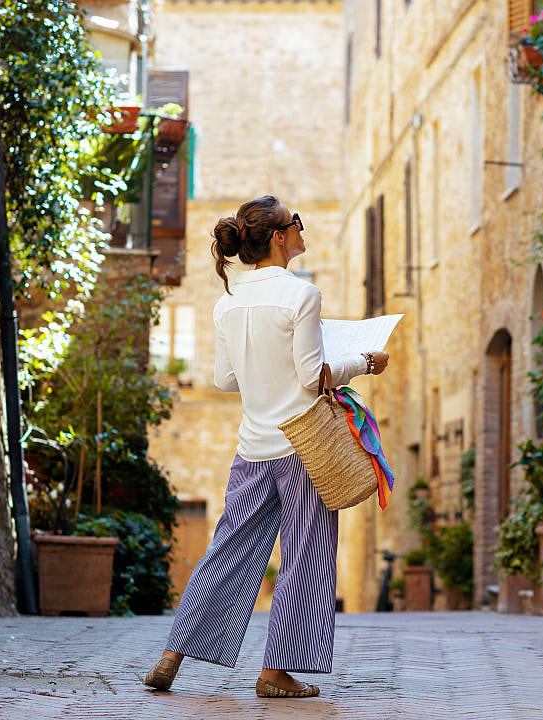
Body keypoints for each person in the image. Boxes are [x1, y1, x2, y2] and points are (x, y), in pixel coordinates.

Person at [143, 194, 388, 698]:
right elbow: (309, 375)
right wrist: (363, 361)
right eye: (296, 223)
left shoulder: (227, 301)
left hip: (252, 447)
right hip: (305, 447)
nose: (303, 230)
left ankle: (174, 652)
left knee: (225, 551)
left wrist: (266, 371)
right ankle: (276, 672)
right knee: (306, 556)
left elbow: (224, 378)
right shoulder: (302, 295)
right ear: (279, 237)